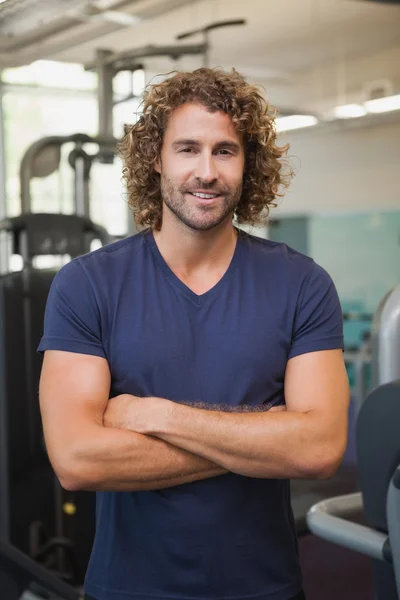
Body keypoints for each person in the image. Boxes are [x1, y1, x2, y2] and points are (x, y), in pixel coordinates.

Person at [38, 67, 350, 600]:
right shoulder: (87, 285)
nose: (206, 171)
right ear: (156, 158)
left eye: (225, 151)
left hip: (265, 589)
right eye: (187, 148)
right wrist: (263, 440)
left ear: (247, 163)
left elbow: (319, 450)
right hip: (128, 588)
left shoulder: (303, 284)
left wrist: (157, 416)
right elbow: (77, 460)